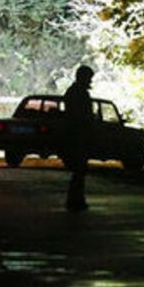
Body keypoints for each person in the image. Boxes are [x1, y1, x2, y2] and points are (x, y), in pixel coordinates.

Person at [63, 65, 95, 211]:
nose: (90, 81)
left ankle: (75, 200)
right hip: (78, 136)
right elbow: (82, 116)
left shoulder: (73, 92)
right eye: (89, 78)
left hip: (75, 135)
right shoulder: (79, 93)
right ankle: (76, 200)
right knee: (80, 170)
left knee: (79, 170)